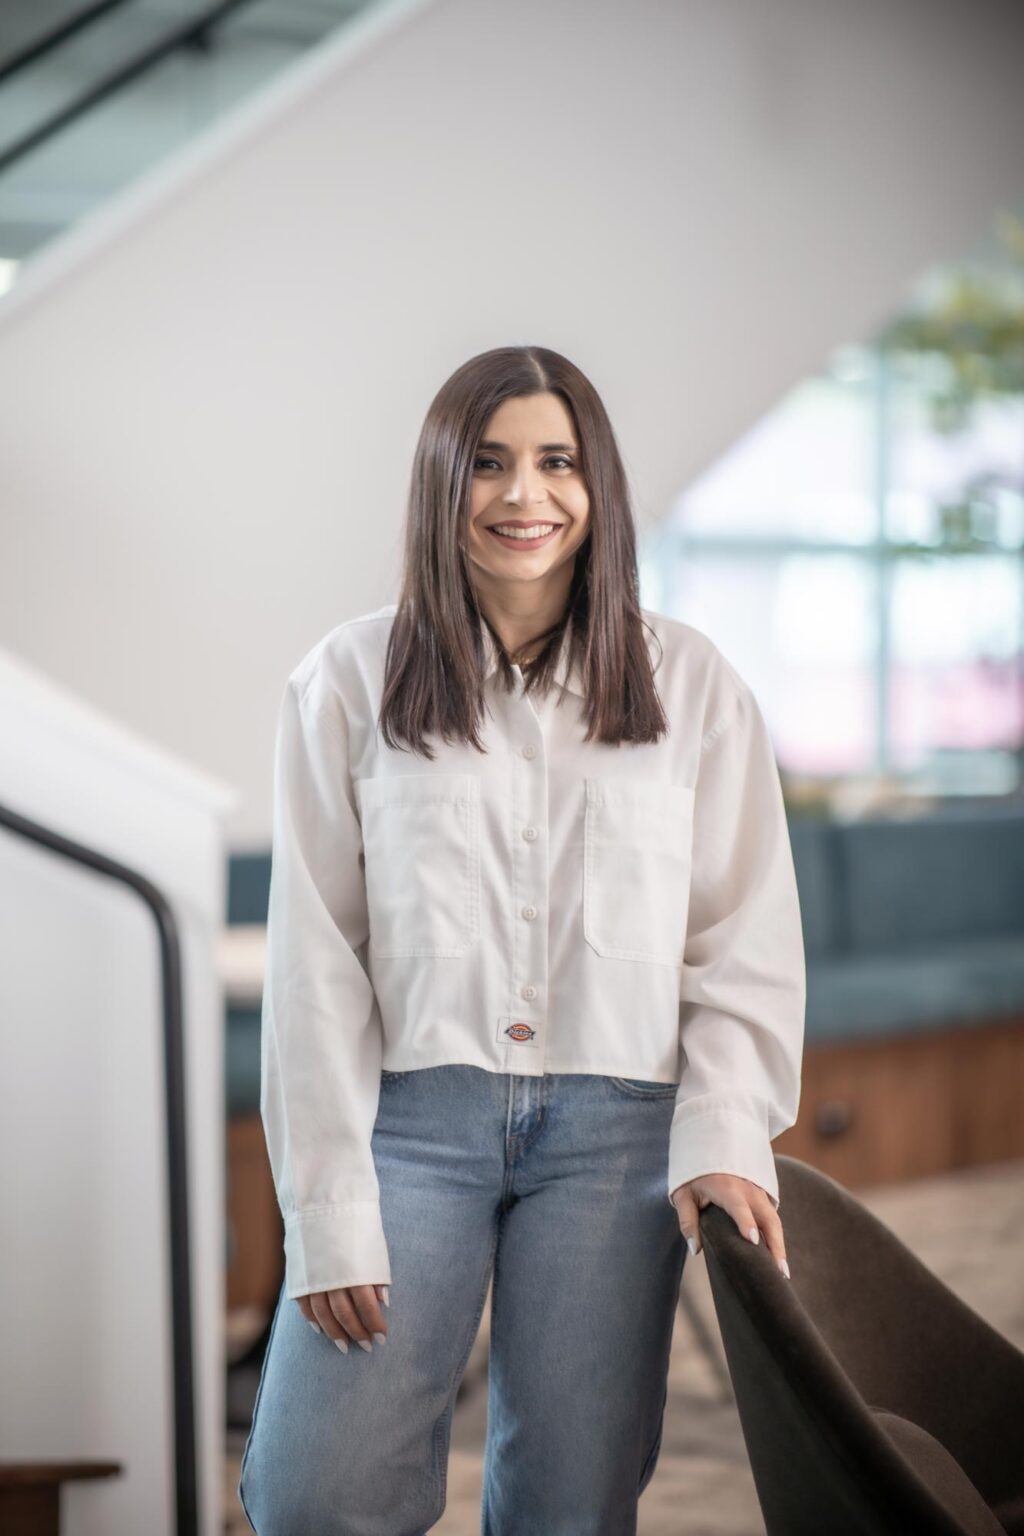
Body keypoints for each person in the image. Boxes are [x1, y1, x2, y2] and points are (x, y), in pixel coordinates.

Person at [238, 345, 806, 1535]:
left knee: (570, 1507)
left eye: (556, 462)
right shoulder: (345, 682)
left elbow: (740, 941)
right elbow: (314, 967)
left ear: (596, 485)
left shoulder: (692, 687)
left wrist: (723, 1132)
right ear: (441, 483)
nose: (522, 495)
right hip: (409, 1127)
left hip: (617, 1135)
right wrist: (327, 1204)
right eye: (487, 464)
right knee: (312, 1495)